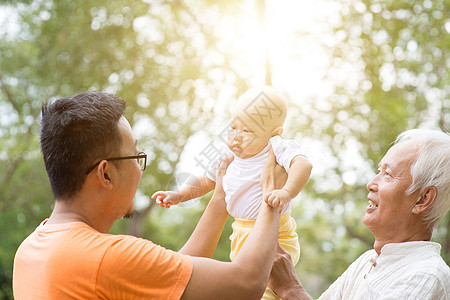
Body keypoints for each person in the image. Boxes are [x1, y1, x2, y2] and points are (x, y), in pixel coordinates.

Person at [12, 91, 289, 300]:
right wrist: (270, 195)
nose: (140, 169)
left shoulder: (30, 249)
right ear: (105, 173)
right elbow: (246, 283)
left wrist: (220, 197)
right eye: (136, 155)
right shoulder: (108, 257)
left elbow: (172, 274)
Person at [152, 86, 313, 299]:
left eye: (247, 131)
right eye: (233, 127)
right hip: (240, 231)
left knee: (266, 288)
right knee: (243, 285)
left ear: (275, 133)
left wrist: (286, 192)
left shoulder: (277, 147)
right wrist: (180, 195)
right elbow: (207, 180)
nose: (236, 136)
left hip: (276, 236)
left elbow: (303, 165)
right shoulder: (230, 155)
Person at [267, 129, 450, 299]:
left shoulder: (427, 275)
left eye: (388, 174)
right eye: (379, 171)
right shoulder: (367, 262)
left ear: (422, 199)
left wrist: (290, 288)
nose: (370, 183)